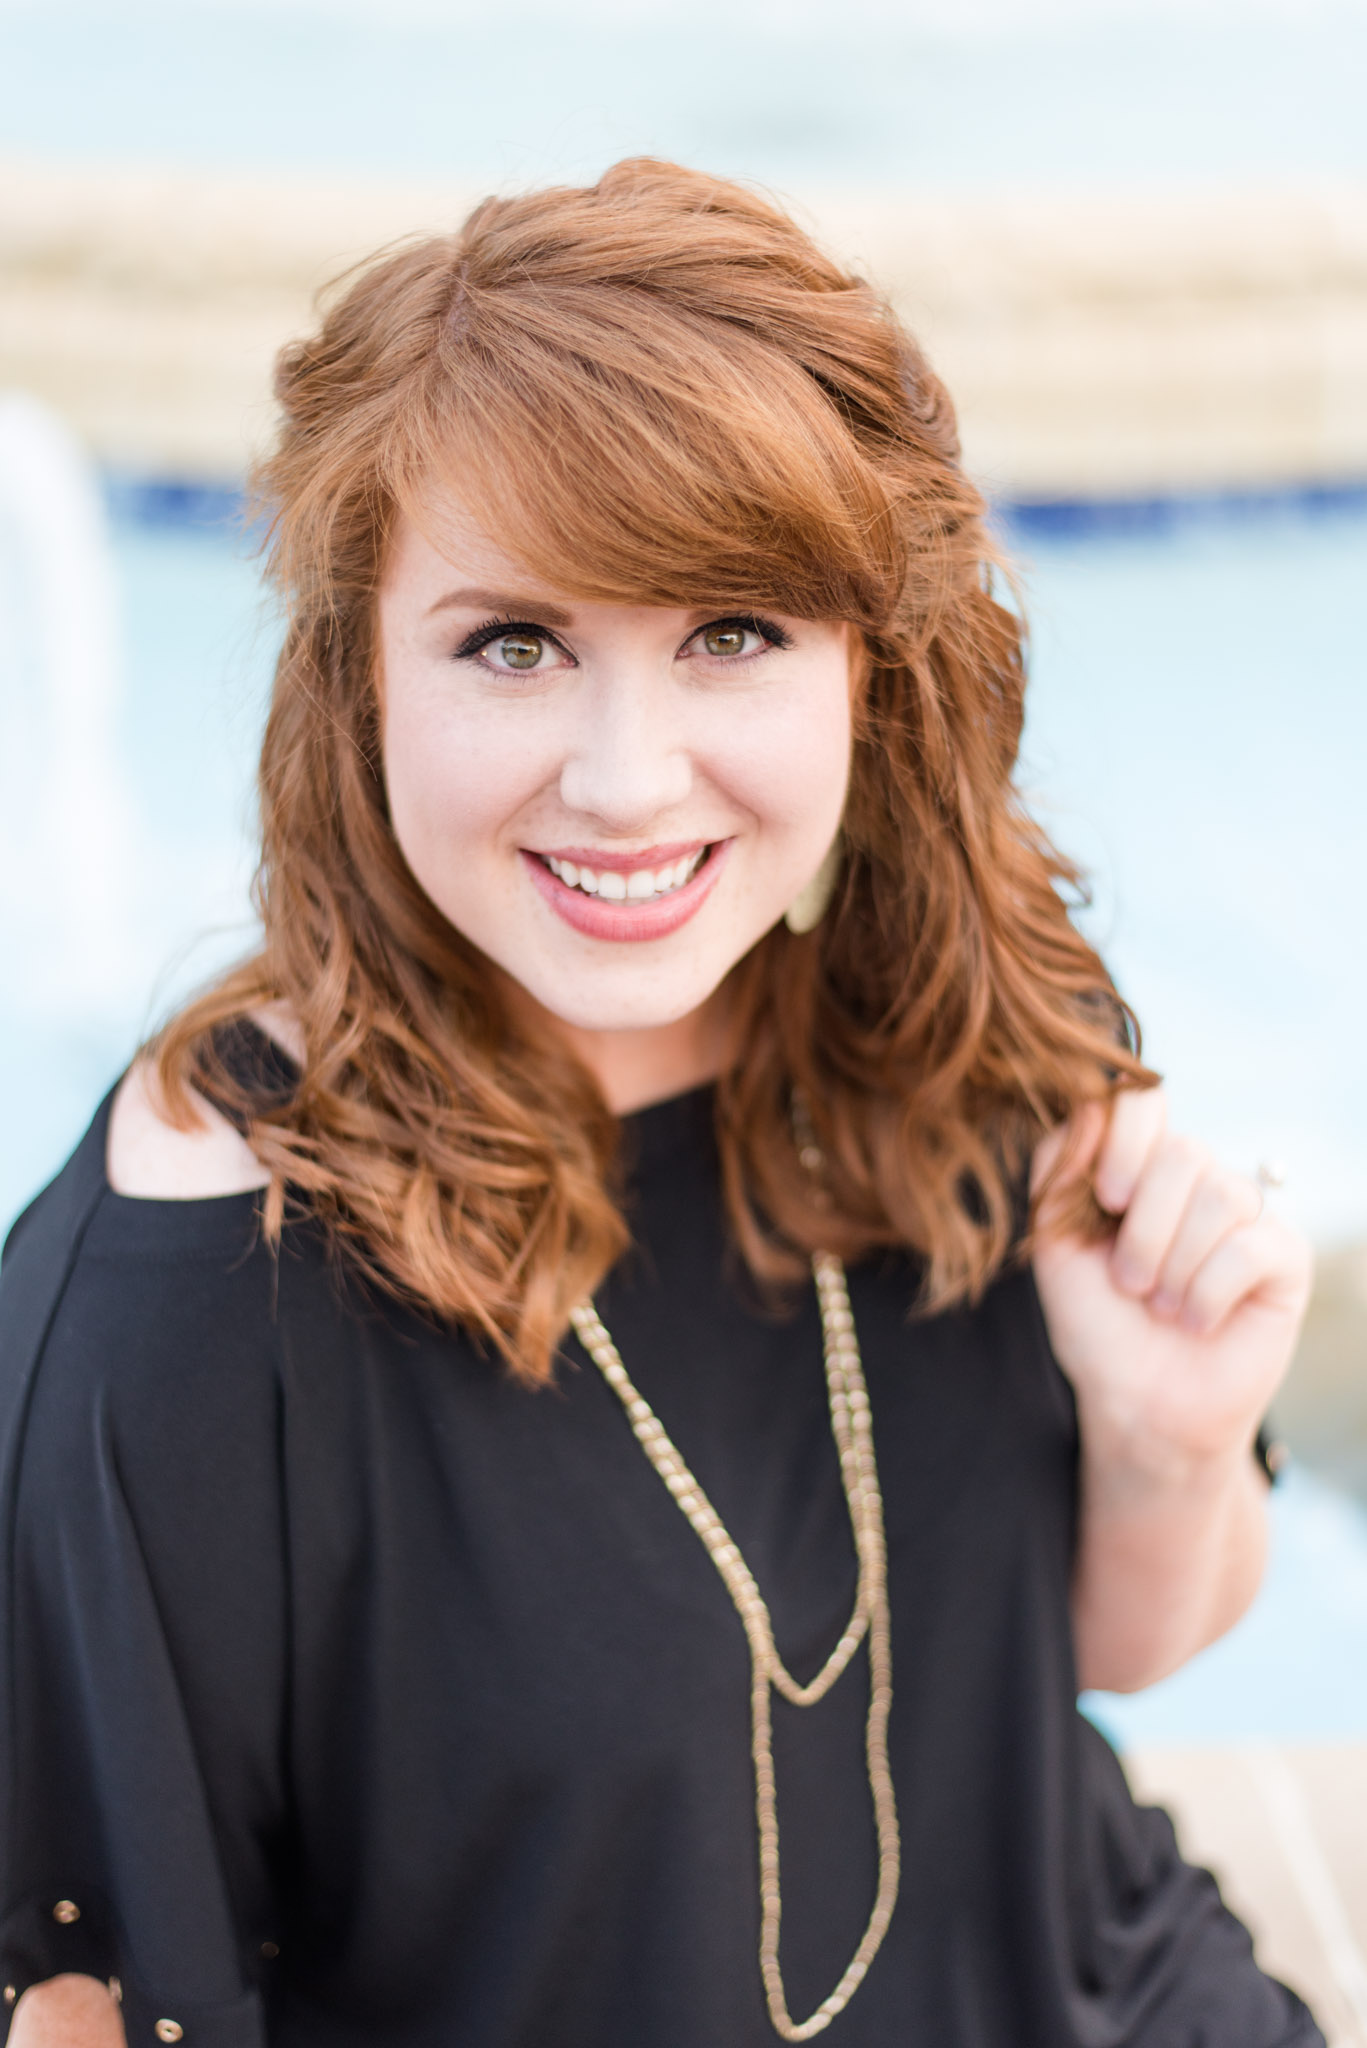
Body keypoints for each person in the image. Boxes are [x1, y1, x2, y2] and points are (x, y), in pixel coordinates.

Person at [0, 159, 1318, 2048]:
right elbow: (86, 2001)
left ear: (873, 660)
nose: (628, 782)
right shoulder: (198, 1278)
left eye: (732, 634)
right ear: (360, 677)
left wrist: (1172, 1437)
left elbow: (1109, 1654)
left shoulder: (961, 1018)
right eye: (514, 644)